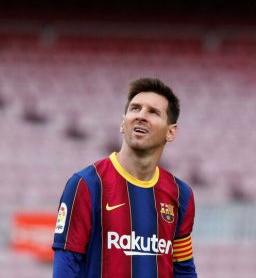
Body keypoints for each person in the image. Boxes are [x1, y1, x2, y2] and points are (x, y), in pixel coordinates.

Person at [52, 78, 197, 277]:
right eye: (135, 109)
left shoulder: (181, 194)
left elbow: (184, 270)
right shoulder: (87, 184)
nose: (141, 116)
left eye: (153, 112)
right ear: (123, 123)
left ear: (170, 132)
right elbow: (66, 267)